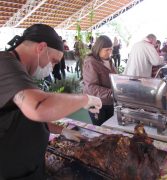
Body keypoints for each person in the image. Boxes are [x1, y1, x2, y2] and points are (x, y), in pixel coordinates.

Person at [0, 24, 102, 180]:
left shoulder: (20, 70)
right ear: (41, 48)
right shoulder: (5, 63)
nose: (53, 68)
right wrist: (85, 99)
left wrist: (61, 130)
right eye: (54, 61)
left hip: (27, 168)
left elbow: (22, 116)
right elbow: (38, 108)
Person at [83, 35, 116, 126]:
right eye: (106, 50)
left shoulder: (109, 60)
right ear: (99, 48)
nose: (109, 52)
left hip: (109, 100)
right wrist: (112, 93)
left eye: (111, 49)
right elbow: (91, 87)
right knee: (100, 127)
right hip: (96, 102)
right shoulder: (91, 62)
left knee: (109, 126)